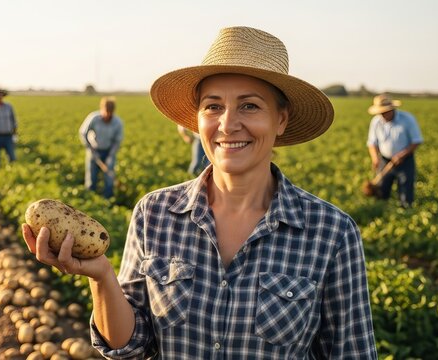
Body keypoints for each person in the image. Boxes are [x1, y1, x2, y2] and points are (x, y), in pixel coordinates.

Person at [22, 26, 377, 358]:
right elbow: (130, 347)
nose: (227, 124)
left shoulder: (332, 233)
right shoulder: (155, 213)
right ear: (198, 118)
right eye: (213, 106)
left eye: (249, 105)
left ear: (280, 119)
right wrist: (101, 276)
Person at [366, 94, 423, 208]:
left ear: (392, 109)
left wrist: (402, 155)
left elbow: (416, 141)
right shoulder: (376, 121)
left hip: (405, 160)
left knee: (405, 188)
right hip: (384, 160)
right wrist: (375, 158)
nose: (383, 115)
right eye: (380, 112)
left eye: (385, 112)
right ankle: (382, 209)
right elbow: (372, 142)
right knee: (382, 189)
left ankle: (406, 209)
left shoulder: (407, 119)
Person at [78, 97, 124, 198]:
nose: (107, 115)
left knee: (109, 177)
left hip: (108, 151)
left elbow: (117, 141)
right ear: (102, 109)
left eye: (110, 112)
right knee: (91, 176)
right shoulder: (94, 118)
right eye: (106, 111)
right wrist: (90, 149)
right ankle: (90, 197)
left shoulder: (117, 122)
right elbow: (83, 133)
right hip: (94, 150)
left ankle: (108, 198)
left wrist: (110, 156)